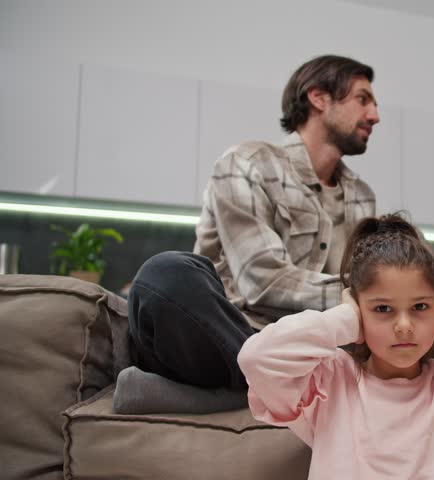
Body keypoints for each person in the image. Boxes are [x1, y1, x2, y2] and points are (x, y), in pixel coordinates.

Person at [116, 55, 380, 414]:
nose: (374, 115)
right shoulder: (246, 163)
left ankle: (211, 395)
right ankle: (276, 384)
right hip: (233, 332)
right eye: (363, 99)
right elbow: (263, 281)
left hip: (309, 347)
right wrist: (371, 299)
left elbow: (376, 279)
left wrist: (398, 298)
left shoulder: (362, 195)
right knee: (164, 275)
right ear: (319, 98)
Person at [237, 213, 434, 480]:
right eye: (382, 309)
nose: (404, 325)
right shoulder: (330, 382)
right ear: (358, 311)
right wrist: (346, 320)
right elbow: (256, 358)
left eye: (420, 307)